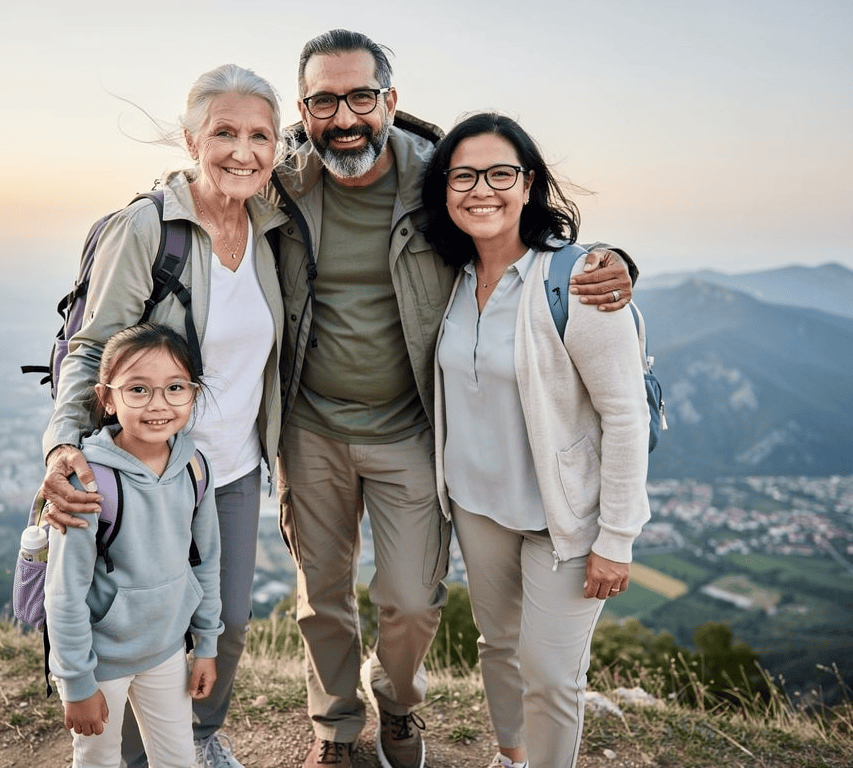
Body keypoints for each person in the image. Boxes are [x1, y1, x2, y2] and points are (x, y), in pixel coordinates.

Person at [267, 30, 636, 768]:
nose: (345, 117)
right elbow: (208, 184)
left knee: (410, 600)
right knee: (323, 596)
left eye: (361, 97)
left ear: (390, 101)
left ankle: (397, 702)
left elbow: (516, 231)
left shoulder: (436, 176)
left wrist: (617, 264)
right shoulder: (280, 182)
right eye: (323, 100)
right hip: (309, 428)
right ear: (303, 110)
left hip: (409, 429)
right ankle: (338, 730)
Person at [40, 64, 288, 768]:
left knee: (226, 622)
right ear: (190, 139)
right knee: (131, 627)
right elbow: (92, 347)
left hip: (226, 469)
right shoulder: (148, 229)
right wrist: (63, 446)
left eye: (259, 136)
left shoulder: (272, 229)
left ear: (277, 147)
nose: (243, 151)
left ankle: (197, 737)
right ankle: (126, 754)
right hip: (141, 470)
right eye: (225, 133)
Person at [422, 112, 652, 768]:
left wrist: (617, 539)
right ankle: (510, 757)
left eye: (501, 173)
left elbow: (625, 416)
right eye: (463, 174)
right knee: (498, 647)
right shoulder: (452, 279)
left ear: (529, 186)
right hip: (477, 506)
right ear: (444, 188)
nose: (482, 189)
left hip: (563, 522)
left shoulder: (575, 282)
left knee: (551, 676)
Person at [45, 322, 223, 768]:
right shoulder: (88, 482)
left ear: (194, 392)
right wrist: (76, 683)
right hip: (101, 661)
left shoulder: (195, 468)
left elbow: (206, 562)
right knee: (98, 760)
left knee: (178, 759)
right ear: (106, 397)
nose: (158, 404)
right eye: (138, 389)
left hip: (167, 650)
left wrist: (207, 644)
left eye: (175, 387)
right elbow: (64, 593)